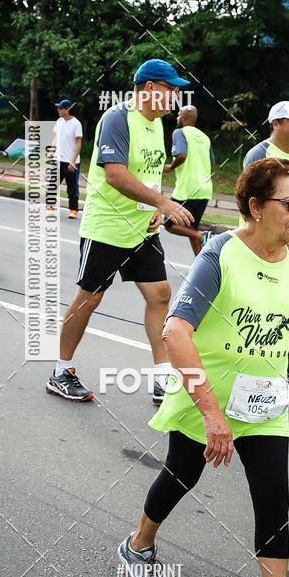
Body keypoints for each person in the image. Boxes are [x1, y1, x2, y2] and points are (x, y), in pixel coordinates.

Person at [117, 159, 289, 577]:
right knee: (181, 474)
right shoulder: (220, 254)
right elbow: (175, 331)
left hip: (262, 402)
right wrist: (212, 412)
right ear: (256, 208)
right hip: (205, 395)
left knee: (274, 498)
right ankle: (138, 545)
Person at [45, 59, 194, 403]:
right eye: (171, 90)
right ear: (152, 89)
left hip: (143, 231)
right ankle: (60, 371)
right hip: (108, 228)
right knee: (89, 299)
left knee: (160, 294)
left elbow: (151, 173)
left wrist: (156, 208)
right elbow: (115, 174)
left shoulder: (158, 125)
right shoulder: (117, 118)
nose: (175, 97)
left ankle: (161, 378)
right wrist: (166, 203)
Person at [242, 101, 289, 383]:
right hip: (264, 240)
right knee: (260, 301)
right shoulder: (259, 154)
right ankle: (256, 353)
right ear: (275, 124)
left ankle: (280, 351)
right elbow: (249, 201)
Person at [162, 105, 215, 256]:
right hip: (205, 190)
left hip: (187, 189)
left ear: (184, 118)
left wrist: (171, 167)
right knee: (191, 229)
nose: (177, 118)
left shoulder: (179, 133)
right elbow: (213, 166)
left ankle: (203, 236)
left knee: (169, 223)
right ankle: (200, 267)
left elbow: (182, 155)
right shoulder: (205, 137)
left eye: (178, 115)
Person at [51, 99, 82, 218]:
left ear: (67, 109)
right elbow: (56, 139)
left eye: (61, 108)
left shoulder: (76, 124)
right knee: (53, 183)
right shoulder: (59, 122)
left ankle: (73, 209)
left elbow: (79, 143)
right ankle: (50, 205)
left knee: (72, 187)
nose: (58, 110)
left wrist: (73, 161)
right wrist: (50, 153)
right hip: (57, 158)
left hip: (70, 160)